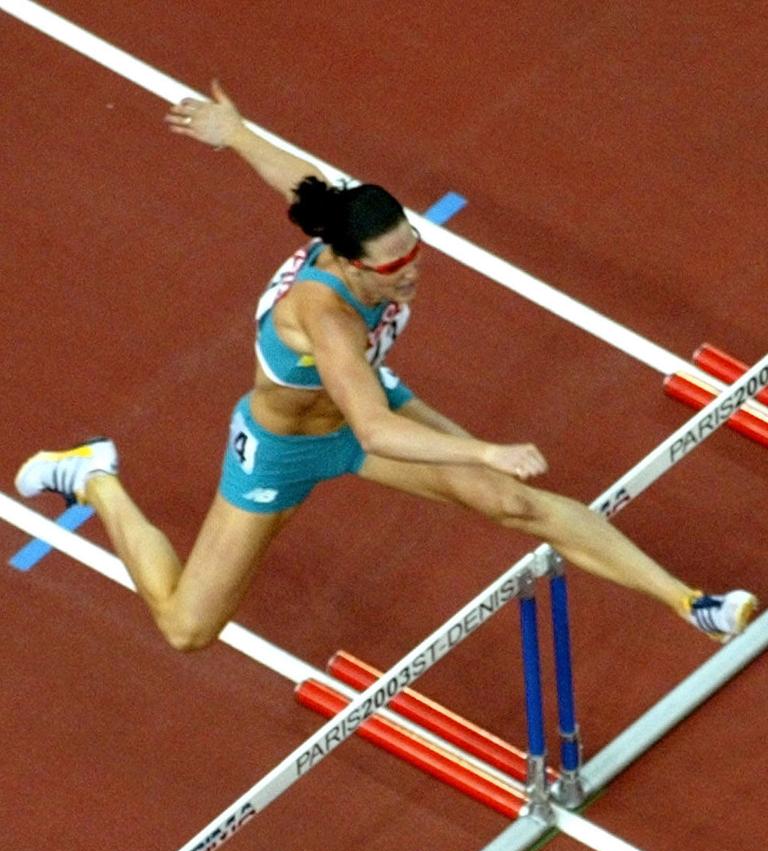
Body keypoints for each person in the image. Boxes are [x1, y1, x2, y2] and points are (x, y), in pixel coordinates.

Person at [15, 82, 756, 649]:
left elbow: (302, 184)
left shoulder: (343, 220)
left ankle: (692, 602)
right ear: (345, 262)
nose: (410, 277)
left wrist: (235, 134)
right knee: (186, 627)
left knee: (514, 504)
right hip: (288, 447)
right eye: (393, 270)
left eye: (415, 256)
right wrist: (483, 449)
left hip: (366, 405)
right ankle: (95, 476)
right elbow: (375, 433)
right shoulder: (326, 315)